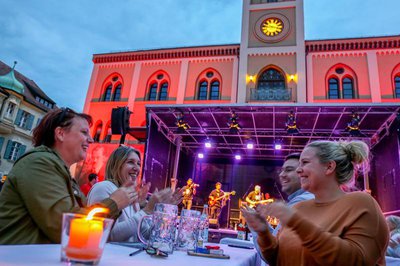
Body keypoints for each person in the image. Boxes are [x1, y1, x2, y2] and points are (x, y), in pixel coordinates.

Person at [0, 108, 136, 245]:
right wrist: (114, 203)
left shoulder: (58, 169)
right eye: (84, 132)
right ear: (60, 133)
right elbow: (66, 227)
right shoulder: (38, 163)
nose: (90, 139)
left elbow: (88, 229)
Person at [242, 140, 389, 265]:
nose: (299, 170)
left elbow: (357, 261)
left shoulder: (361, 203)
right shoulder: (299, 207)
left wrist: (297, 223)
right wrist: (263, 233)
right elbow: (277, 259)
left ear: (329, 167)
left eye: (305, 162)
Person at [88, 145, 182, 242]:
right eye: (130, 162)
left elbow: (143, 234)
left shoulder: (130, 195)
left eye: (138, 164)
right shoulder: (103, 188)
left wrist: (163, 213)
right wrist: (147, 210)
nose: (136, 168)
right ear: (116, 165)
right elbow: (109, 235)